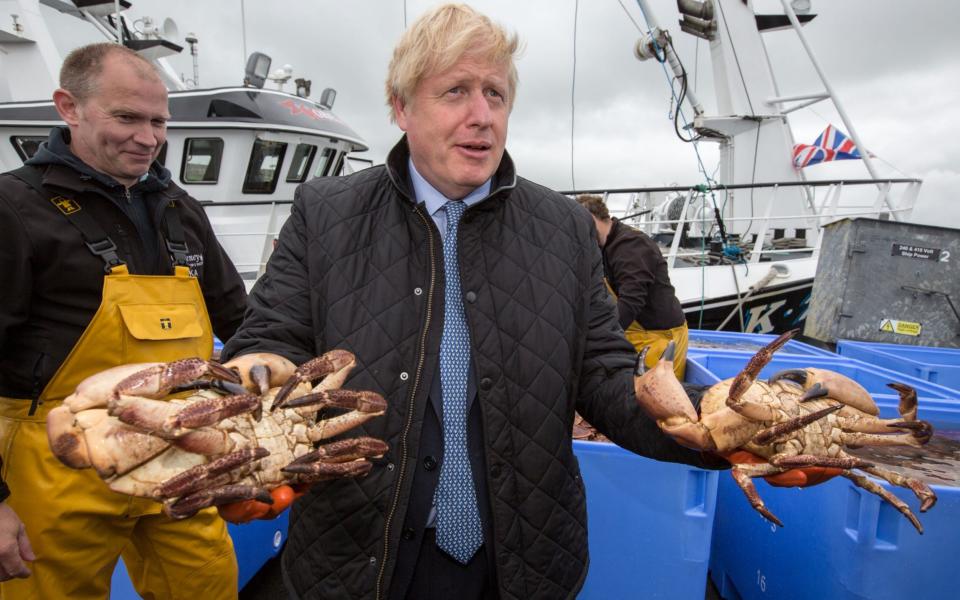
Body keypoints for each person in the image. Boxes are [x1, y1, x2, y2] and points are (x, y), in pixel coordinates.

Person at [220, 4, 717, 599]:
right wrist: (256, 389)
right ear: (401, 107)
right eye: (455, 91)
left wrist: (725, 425)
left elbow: (606, 372)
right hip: (356, 552)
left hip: (523, 558)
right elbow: (269, 337)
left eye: (495, 94)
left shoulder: (563, 226)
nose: (481, 116)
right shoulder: (325, 213)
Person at [0, 43, 247, 599]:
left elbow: (243, 320)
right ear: (69, 107)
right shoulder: (13, 207)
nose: (148, 137)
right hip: (55, 470)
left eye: (159, 121)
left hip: (180, 453)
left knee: (208, 585)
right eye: (127, 118)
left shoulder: (180, 208)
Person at [576, 194, 690, 379]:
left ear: (591, 219)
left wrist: (602, 340)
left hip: (660, 341)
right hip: (638, 337)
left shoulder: (630, 245)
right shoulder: (603, 247)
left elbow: (631, 301)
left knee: (657, 401)